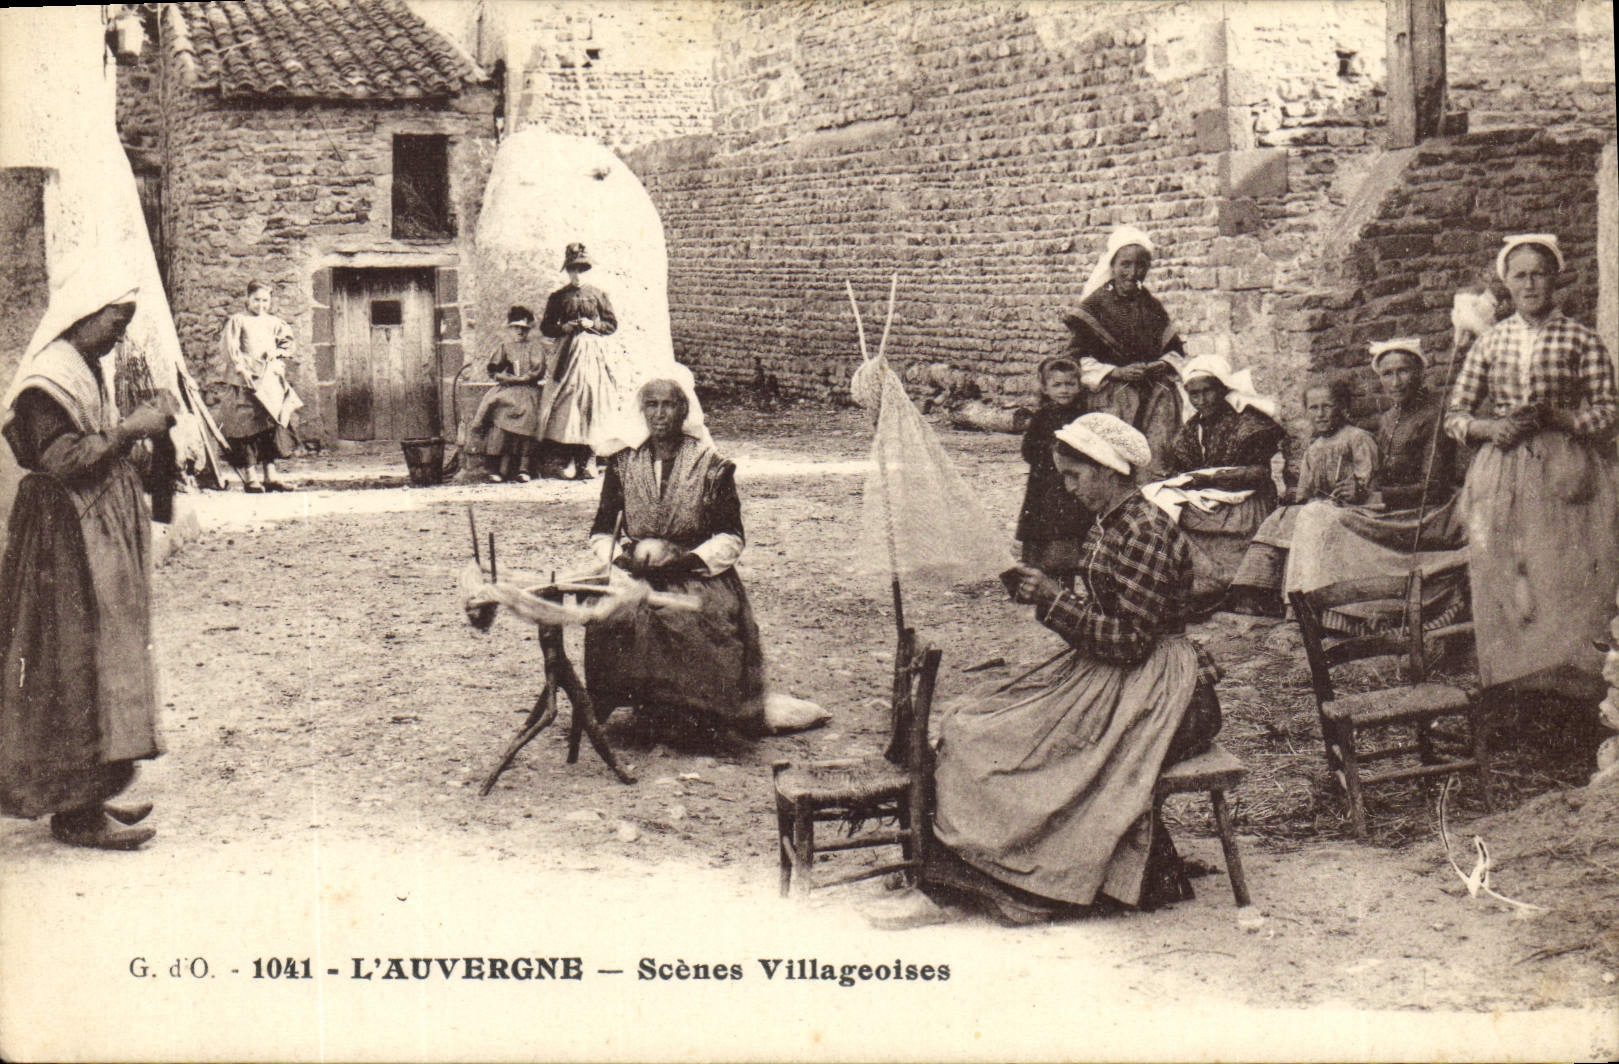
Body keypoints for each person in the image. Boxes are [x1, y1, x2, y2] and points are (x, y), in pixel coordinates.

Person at [878, 413, 1221, 928]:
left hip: (1158, 683)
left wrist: (1057, 601)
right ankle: (967, 858)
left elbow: (1130, 639)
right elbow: (1105, 623)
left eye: (1075, 476)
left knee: (1010, 745)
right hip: (1116, 670)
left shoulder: (1144, 532)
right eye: (1064, 475)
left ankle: (1015, 871)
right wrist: (1049, 598)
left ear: (1110, 472)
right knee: (977, 720)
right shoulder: (1113, 525)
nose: (1068, 487)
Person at [1, 267, 177, 850]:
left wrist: (143, 432)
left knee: (95, 658)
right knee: (68, 664)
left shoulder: (83, 370)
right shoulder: (43, 384)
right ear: (84, 315)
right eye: (115, 322)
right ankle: (75, 812)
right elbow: (64, 460)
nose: (119, 336)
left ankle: (88, 796)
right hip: (58, 539)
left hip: (80, 536)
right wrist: (130, 430)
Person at [1444, 233, 1619, 695]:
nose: (1530, 283)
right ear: (1507, 283)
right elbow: (1456, 414)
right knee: (1504, 572)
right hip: (1500, 473)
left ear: (1554, 279)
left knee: (1562, 573)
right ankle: (1512, 688)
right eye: (1519, 275)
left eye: (1539, 273)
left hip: (1565, 469)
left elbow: (1608, 412)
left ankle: (1573, 693)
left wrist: (1561, 417)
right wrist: (1489, 429)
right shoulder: (1491, 342)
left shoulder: (1581, 338)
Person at [583, 379, 767, 736]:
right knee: (611, 615)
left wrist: (685, 561)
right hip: (639, 569)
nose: (660, 414)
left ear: (684, 411)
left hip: (695, 572)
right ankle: (644, 704)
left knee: (692, 618)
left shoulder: (712, 467)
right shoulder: (623, 464)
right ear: (643, 411)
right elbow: (603, 529)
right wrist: (622, 557)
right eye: (651, 405)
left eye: (668, 405)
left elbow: (731, 536)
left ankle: (695, 715)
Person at [1279, 339, 1469, 603]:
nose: (1396, 381)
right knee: (1313, 512)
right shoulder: (1389, 417)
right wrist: (1356, 488)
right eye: (1387, 374)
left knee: (1321, 518)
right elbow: (1381, 473)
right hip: (1392, 504)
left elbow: (1433, 488)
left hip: (1424, 512)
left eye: (1403, 371)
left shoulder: (1434, 416)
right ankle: (1306, 604)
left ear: (1420, 373)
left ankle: (1330, 603)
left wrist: (1375, 496)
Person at [1224, 378, 1378, 616]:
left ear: (1341, 407)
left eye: (1327, 406)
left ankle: (1297, 604)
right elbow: (1305, 492)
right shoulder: (1315, 448)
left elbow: (1367, 482)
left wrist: (1356, 488)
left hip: (1354, 508)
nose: (1321, 414)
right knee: (1280, 518)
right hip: (1319, 508)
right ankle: (1256, 591)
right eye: (1313, 408)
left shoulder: (1357, 438)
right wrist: (1292, 498)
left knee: (1304, 517)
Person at [1157, 355, 1286, 607]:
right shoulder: (1191, 429)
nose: (1201, 400)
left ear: (1222, 389)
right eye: (1194, 394)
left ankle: (1238, 586)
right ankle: (1207, 586)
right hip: (1208, 497)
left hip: (1247, 499)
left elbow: (1259, 473)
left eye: (1207, 391)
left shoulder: (1248, 421)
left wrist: (1216, 477)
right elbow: (1180, 465)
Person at [1061, 226, 1186, 482]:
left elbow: (1175, 350)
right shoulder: (1095, 307)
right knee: (1113, 463)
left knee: (1155, 461)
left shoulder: (1151, 305)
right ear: (1113, 264)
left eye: (1141, 265)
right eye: (1125, 265)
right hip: (1111, 397)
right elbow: (1073, 360)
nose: (1132, 273)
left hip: (1154, 397)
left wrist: (1162, 364)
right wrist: (1116, 371)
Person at [537, 242, 619, 480]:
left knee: (592, 399)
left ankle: (588, 459)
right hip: (568, 353)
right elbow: (546, 327)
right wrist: (563, 327)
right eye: (573, 270)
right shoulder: (558, 297)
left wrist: (593, 325)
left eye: (582, 269)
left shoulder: (598, 295)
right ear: (568, 271)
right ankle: (569, 460)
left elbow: (611, 324)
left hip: (593, 352)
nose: (577, 274)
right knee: (568, 402)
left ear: (587, 270)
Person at [217, 280, 299, 492]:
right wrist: (240, 369)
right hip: (245, 383)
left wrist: (278, 355)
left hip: (268, 383)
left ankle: (271, 476)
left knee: (269, 428)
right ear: (247, 299)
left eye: (265, 300)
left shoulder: (274, 322)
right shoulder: (239, 320)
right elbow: (230, 348)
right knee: (246, 429)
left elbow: (287, 343)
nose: (261, 304)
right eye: (256, 300)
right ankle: (251, 477)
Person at [1014, 356, 1089, 587]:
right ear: (1045, 389)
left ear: (1079, 386)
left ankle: (1066, 585)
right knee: (1045, 536)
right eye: (1057, 385)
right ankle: (1044, 586)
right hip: (1045, 487)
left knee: (1069, 537)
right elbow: (1028, 450)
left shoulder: (1084, 416)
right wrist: (1050, 451)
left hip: (1071, 485)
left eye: (1070, 384)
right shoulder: (1042, 417)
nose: (1064, 390)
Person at [468, 306, 546, 483]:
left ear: (528, 330)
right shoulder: (504, 347)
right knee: (497, 411)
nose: (520, 331)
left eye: (524, 329)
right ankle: (496, 466)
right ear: (510, 329)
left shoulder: (534, 347)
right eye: (516, 328)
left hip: (528, 389)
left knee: (528, 414)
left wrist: (523, 378)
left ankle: (524, 468)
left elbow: (537, 371)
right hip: (508, 389)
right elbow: (494, 369)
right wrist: (503, 376)